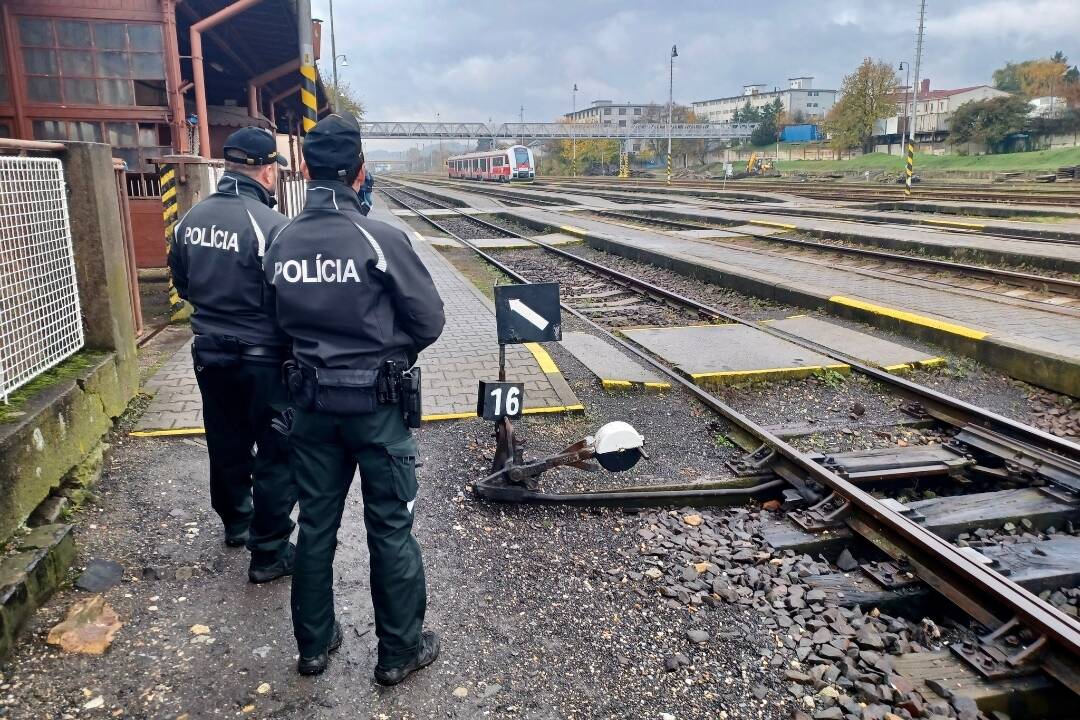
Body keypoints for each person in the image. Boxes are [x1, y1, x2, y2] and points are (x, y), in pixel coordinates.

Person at [264, 113, 446, 680]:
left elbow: (274, 325)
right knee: (389, 527)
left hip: (312, 409)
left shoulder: (281, 238)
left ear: (304, 168)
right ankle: (398, 653)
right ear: (361, 170)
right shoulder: (382, 237)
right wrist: (389, 354)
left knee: (317, 525)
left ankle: (314, 647)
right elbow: (431, 321)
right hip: (377, 409)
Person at [168, 127, 297, 584]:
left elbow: (182, 284)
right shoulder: (272, 228)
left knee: (225, 438)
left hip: (208, 351)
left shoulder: (189, 221)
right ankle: (270, 550)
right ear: (266, 169)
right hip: (263, 359)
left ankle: (237, 522)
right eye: (276, 170)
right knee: (278, 449)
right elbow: (286, 298)